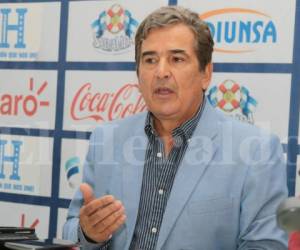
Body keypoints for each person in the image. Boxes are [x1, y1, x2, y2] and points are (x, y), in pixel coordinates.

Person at [63, 6, 288, 250]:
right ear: (138, 75)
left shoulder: (257, 150)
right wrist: (89, 233)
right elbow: (71, 228)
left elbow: (266, 245)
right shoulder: (106, 139)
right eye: (150, 60)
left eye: (177, 59)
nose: (161, 72)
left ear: (206, 74)